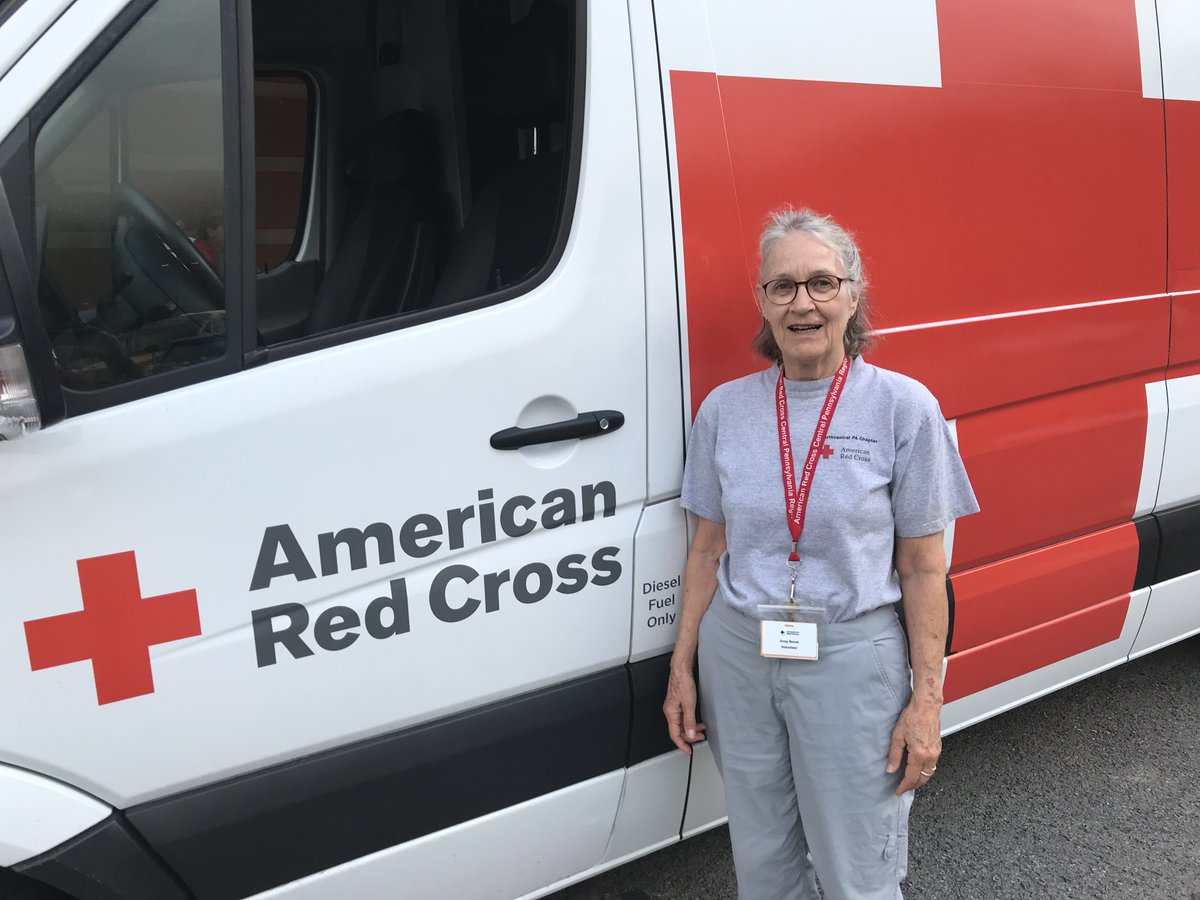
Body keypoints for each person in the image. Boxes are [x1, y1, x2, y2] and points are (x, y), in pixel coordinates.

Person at [663, 207, 979, 900]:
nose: (802, 303)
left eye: (821, 283)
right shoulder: (724, 410)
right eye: (782, 287)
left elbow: (925, 568)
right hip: (738, 659)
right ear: (763, 303)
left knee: (857, 869)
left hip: (849, 659)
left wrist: (927, 703)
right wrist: (682, 668)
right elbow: (708, 550)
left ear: (854, 293)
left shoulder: (903, 408)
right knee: (763, 858)